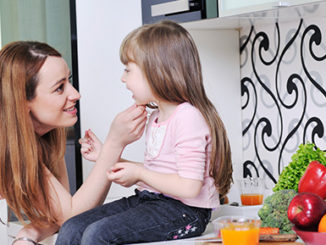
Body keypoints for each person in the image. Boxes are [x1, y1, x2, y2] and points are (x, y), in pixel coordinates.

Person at [55, 20, 233, 245]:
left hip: (186, 212)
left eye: (128, 70)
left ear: (156, 72)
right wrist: (107, 157)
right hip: (151, 201)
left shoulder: (188, 117)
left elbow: (189, 187)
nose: (123, 78)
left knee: (97, 234)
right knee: (72, 228)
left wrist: (139, 174)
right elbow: (158, 172)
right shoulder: (156, 117)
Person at [0, 41, 147, 245]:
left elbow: (63, 214)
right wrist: (114, 143)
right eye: (59, 88)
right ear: (23, 102)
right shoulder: (6, 147)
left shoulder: (43, 140)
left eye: (69, 80)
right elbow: (70, 215)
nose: (75, 94)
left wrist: (29, 233)